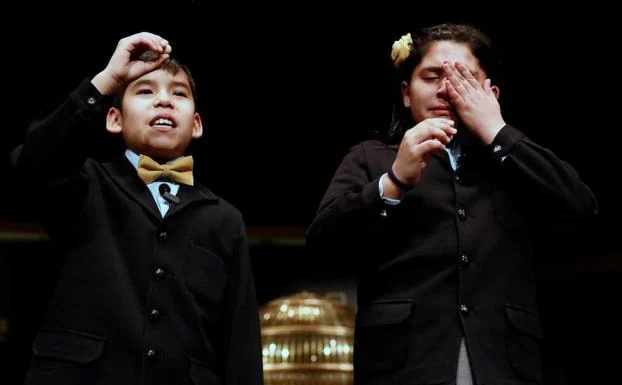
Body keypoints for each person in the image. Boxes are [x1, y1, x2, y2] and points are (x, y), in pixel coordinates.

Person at [306, 23, 598, 385]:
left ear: (491, 93)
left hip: (501, 363)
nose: (447, 89)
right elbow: (321, 247)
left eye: (464, 78)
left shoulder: (512, 162)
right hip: (403, 366)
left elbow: (581, 210)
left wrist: (495, 129)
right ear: (407, 93)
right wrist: (394, 182)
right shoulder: (370, 159)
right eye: (431, 77)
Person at [11, 32, 263, 385]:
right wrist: (106, 81)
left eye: (179, 93)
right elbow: (33, 161)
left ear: (196, 124)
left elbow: (241, 344)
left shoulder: (225, 219)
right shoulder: (85, 184)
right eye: (145, 91)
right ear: (114, 119)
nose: (164, 100)